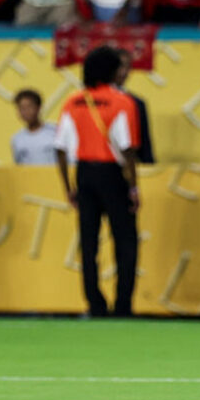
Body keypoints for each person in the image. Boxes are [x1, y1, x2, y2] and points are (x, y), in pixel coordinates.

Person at [54, 45, 141, 318]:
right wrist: (134, 186)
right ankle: (123, 305)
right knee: (125, 241)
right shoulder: (122, 102)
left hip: (84, 175)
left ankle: (95, 304)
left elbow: (60, 148)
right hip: (113, 175)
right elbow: (127, 148)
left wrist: (68, 187)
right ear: (112, 70)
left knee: (89, 243)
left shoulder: (73, 101)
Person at [115, 48, 153, 164]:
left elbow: (145, 145)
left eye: (127, 67)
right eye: (120, 66)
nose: (124, 72)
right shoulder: (92, 102)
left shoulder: (137, 103)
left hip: (128, 167)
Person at [11, 88, 59, 165]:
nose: (25, 112)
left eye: (29, 107)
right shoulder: (17, 139)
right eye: (21, 108)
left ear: (39, 107)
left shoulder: (55, 131)